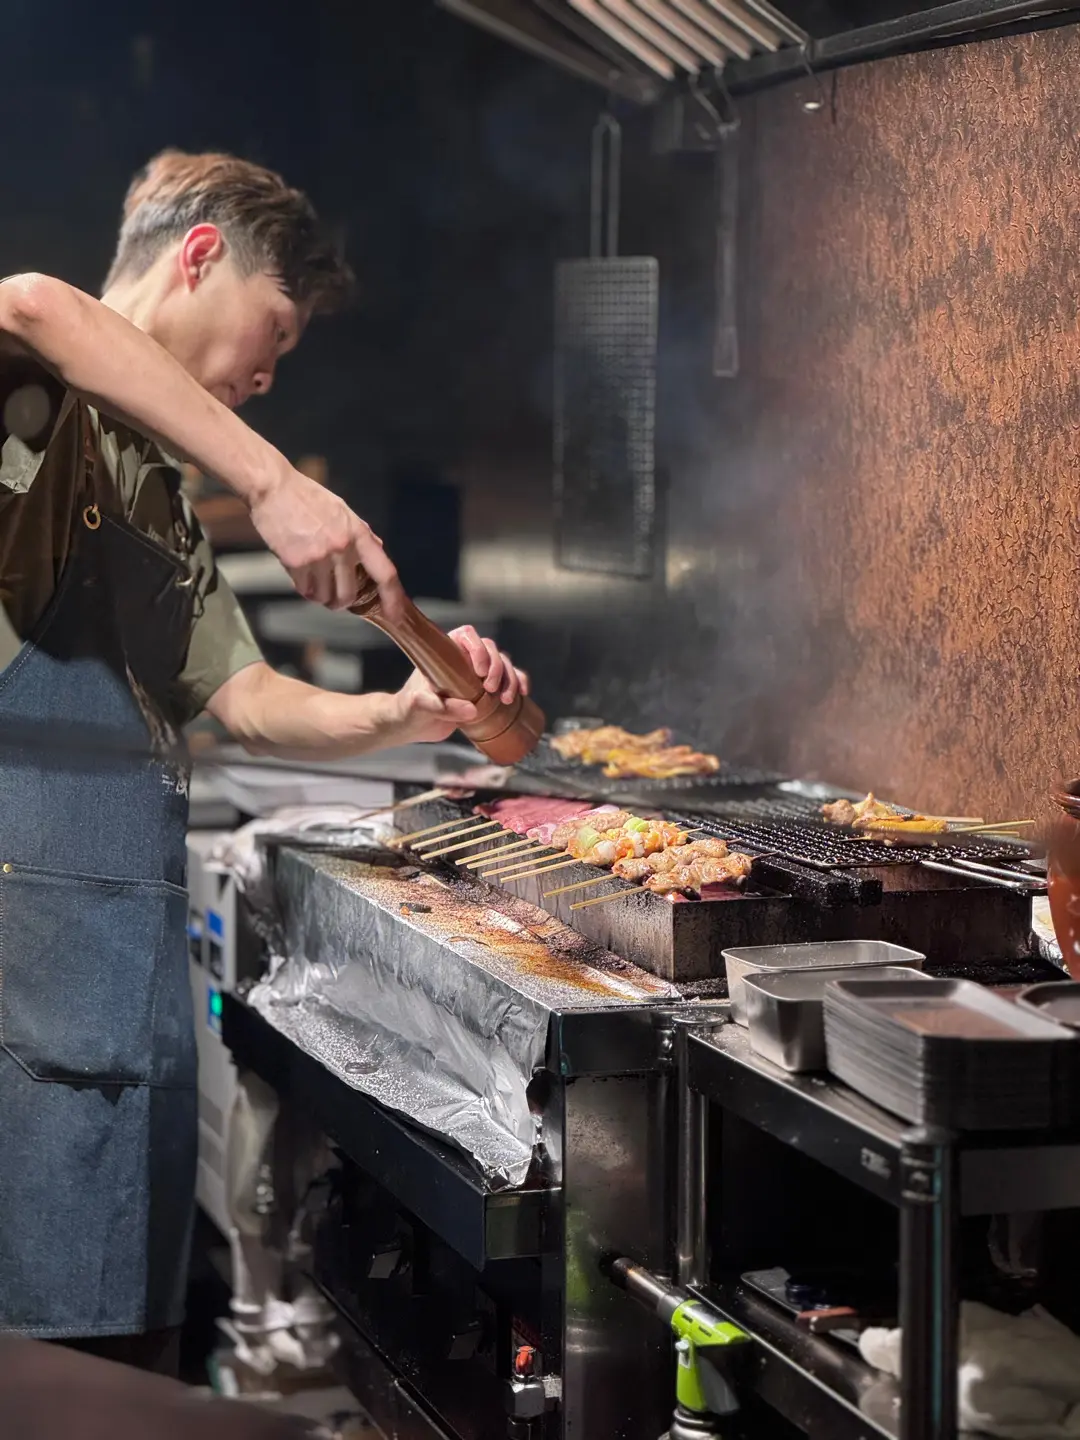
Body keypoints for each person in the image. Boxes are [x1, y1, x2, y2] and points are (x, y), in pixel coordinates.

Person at [0, 150, 528, 1370]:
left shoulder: (153, 486)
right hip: (24, 992)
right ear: (200, 256)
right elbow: (31, 304)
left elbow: (241, 697)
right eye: (275, 329)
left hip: (109, 1005)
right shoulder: (37, 398)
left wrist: (404, 715)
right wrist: (277, 483)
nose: (268, 375)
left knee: (125, 1367)